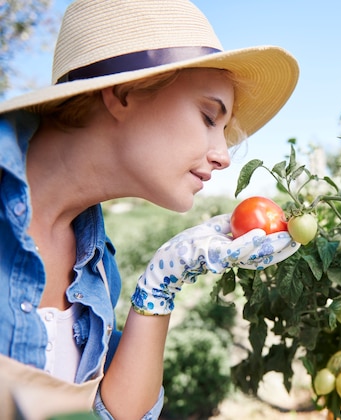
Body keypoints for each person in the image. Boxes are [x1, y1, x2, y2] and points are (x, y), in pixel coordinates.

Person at [0, 0, 300, 418]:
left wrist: (161, 283)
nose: (223, 156)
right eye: (209, 117)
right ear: (124, 94)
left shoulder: (95, 264)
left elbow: (114, 413)